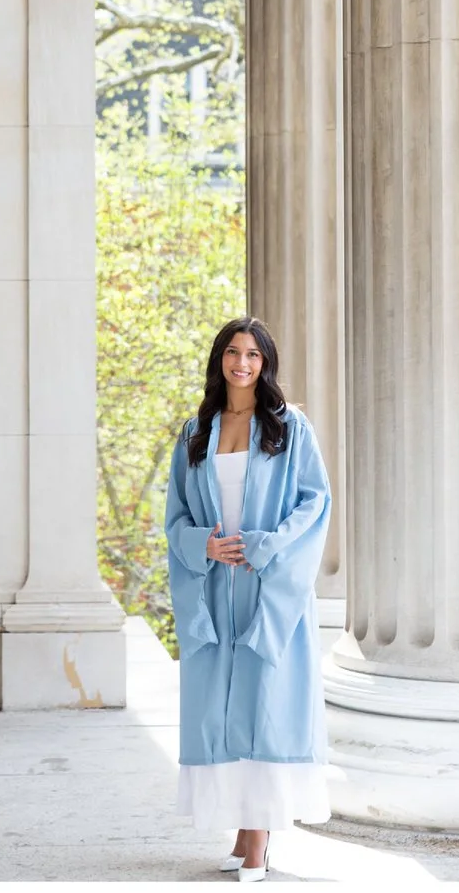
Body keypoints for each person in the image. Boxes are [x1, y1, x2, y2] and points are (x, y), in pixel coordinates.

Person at [165, 317, 334, 881]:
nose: (242, 363)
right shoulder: (197, 430)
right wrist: (202, 545)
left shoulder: (289, 429)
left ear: (266, 364)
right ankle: (242, 836)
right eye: (233, 353)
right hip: (214, 586)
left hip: (268, 589)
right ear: (220, 360)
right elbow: (176, 520)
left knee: (264, 705)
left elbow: (314, 503)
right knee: (220, 709)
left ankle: (260, 844)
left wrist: (268, 546)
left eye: (253, 355)